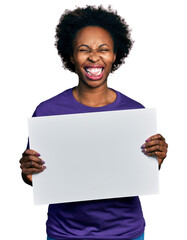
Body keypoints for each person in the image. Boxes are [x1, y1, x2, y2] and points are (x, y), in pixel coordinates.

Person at [19, 5, 168, 240]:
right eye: (83, 49)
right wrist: (28, 171)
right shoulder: (47, 111)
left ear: (115, 55)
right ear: (71, 56)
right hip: (66, 233)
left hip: (126, 233)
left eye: (104, 49)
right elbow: (34, 178)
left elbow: (139, 172)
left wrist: (156, 159)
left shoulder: (135, 113)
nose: (94, 56)